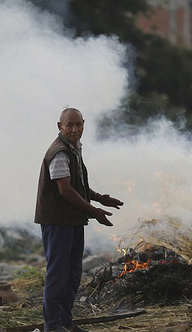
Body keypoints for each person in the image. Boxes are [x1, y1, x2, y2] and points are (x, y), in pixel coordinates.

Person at [35, 107, 124, 332]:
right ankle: (52, 325)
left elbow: (78, 185)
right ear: (60, 127)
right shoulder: (59, 153)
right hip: (57, 221)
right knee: (58, 274)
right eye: (70, 125)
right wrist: (94, 211)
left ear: (84, 124)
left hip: (72, 220)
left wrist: (100, 199)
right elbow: (65, 190)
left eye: (79, 125)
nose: (75, 129)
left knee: (72, 273)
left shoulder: (74, 148)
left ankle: (65, 321)